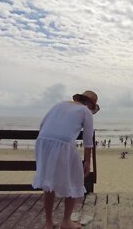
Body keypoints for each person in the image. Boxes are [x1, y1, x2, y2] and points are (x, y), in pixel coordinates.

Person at [32, 90, 100, 229]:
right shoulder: (85, 111)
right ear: (90, 104)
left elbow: (42, 125)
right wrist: (87, 162)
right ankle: (66, 221)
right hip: (62, 143)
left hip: (43, 141)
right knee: (76, 179)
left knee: (49, 183)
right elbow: (88, 140)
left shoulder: (60, 105)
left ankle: (49, 222)